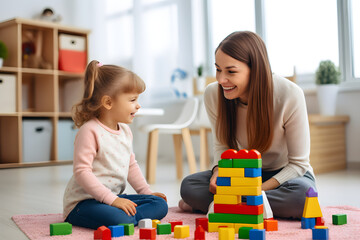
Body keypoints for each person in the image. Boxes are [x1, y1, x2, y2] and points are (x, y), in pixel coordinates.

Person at [179, 31, 316, 219]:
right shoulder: (213, 94)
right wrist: (219, 171)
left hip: (284, 176)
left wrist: (255, 191)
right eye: (218, 69)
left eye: (231, 71)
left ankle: (224, 205)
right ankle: (248, 207)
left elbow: (298, 164)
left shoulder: (289, 94)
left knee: (302, 196)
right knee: (189, 186)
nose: (220, 80)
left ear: (256, 69)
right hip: (241, 174)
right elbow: (222, 146)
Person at [63, 60, 168, 229]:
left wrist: (146, 193)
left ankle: (130, 218)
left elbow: (131, 165)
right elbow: (82, 172)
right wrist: (114, 200)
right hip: (84, 203)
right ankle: (130, 220)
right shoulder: (89, 131)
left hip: (111, 199)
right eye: (132, 99)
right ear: (108, 103)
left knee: (159, 204)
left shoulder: (125, 131)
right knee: (121, 219)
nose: (138, 105)